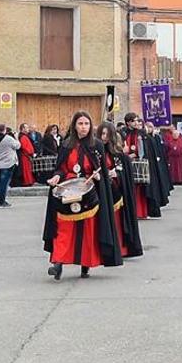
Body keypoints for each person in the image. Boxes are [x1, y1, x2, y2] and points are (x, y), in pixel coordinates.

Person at [43, 111, 123, 280]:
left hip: (89, 192)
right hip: (68, 190)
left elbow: (100, 167)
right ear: (74, 125)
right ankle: (57, 263)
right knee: (64, 229)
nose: (83, 127)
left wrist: (99, 177)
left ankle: (85, 264)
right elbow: (60, 168)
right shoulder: (65, 145)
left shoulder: (98, 146)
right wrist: (57, 176)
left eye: (86, 124)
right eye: (80, 124)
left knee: (88, 230)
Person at [97, 122, 142, 258]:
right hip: (100, 193)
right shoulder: (95, 152)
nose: (104, 137)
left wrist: (117, 174)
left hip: (116, 193)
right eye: (102, 134)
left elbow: (124, 171)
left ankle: (121, 249)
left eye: (106, 134)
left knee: (118, 223)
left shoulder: (118, 154)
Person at [0, 123, 20, 208]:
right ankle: (1, 202)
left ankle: (1, 200)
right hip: (8, 163)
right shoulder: (8, 139)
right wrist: (16, 137)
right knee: (4, 183)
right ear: (5, 129)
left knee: (0, 183)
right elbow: (18, 146)